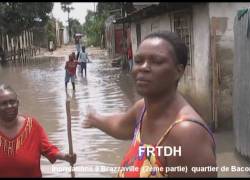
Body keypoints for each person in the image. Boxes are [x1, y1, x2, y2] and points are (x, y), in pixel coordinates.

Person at [82, 31, 217, 177]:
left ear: (179, 71)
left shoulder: (187, 134)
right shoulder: (143, 110)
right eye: (138, 61)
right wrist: (94, 119)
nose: (143, 67)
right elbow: (119, 125)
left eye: (157, 61)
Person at [0, 84, 76, 177]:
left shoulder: (32, 126)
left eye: (12, 102)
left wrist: (66, 157)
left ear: (18, 103)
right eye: (3, 103)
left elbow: (48, 149)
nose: (9, 106)